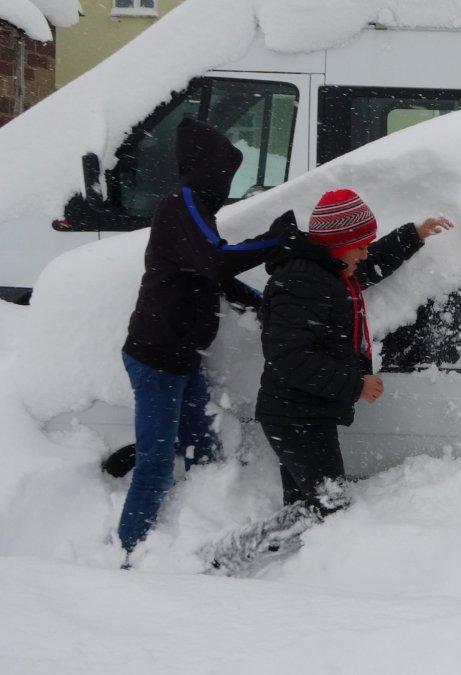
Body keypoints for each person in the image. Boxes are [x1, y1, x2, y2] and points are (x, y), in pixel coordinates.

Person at [119, 117, 296, 556]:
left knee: (206, 451)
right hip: (156, 356)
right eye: (225, 171)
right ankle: (128, 550)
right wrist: (273, 241)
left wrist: (260, 302)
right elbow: (217, 262)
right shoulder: (182, 204)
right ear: (206, 167)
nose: (227, 181)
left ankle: (195, 532)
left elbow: (207, 275)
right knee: (156, 463)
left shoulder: (193, 208)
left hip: (182, 356)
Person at [255, 189, 452, 518]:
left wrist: (414, 235)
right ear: (336, 244)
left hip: (302, 412)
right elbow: (289, 356)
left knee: (307, 509)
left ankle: (260, 556)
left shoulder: (330, 271)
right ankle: (235, 552)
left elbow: (373, 262)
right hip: (295, 418)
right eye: (359, 246)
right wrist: (355, 384)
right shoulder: (303, 280)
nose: (363, 254)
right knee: (333, 510)